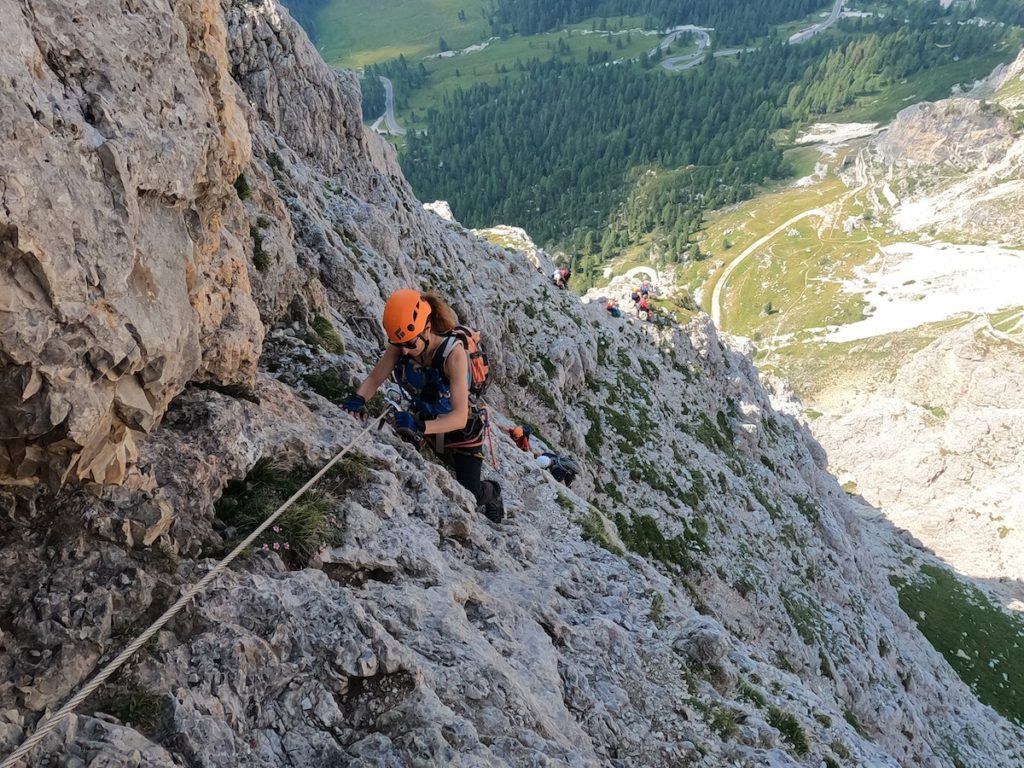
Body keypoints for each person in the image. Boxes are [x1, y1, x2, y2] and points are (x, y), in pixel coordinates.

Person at [342, 289, 490, 507]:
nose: (403, 352)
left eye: (410, 344)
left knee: (471, 495)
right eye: (399, 344)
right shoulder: (402, 342)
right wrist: (359, 398)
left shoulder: (454, 355)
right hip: (425, 418)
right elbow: (375, 379)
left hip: (460, 432)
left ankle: (492, 492)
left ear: (427, 329)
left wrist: (419, 426)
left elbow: (459, 416)